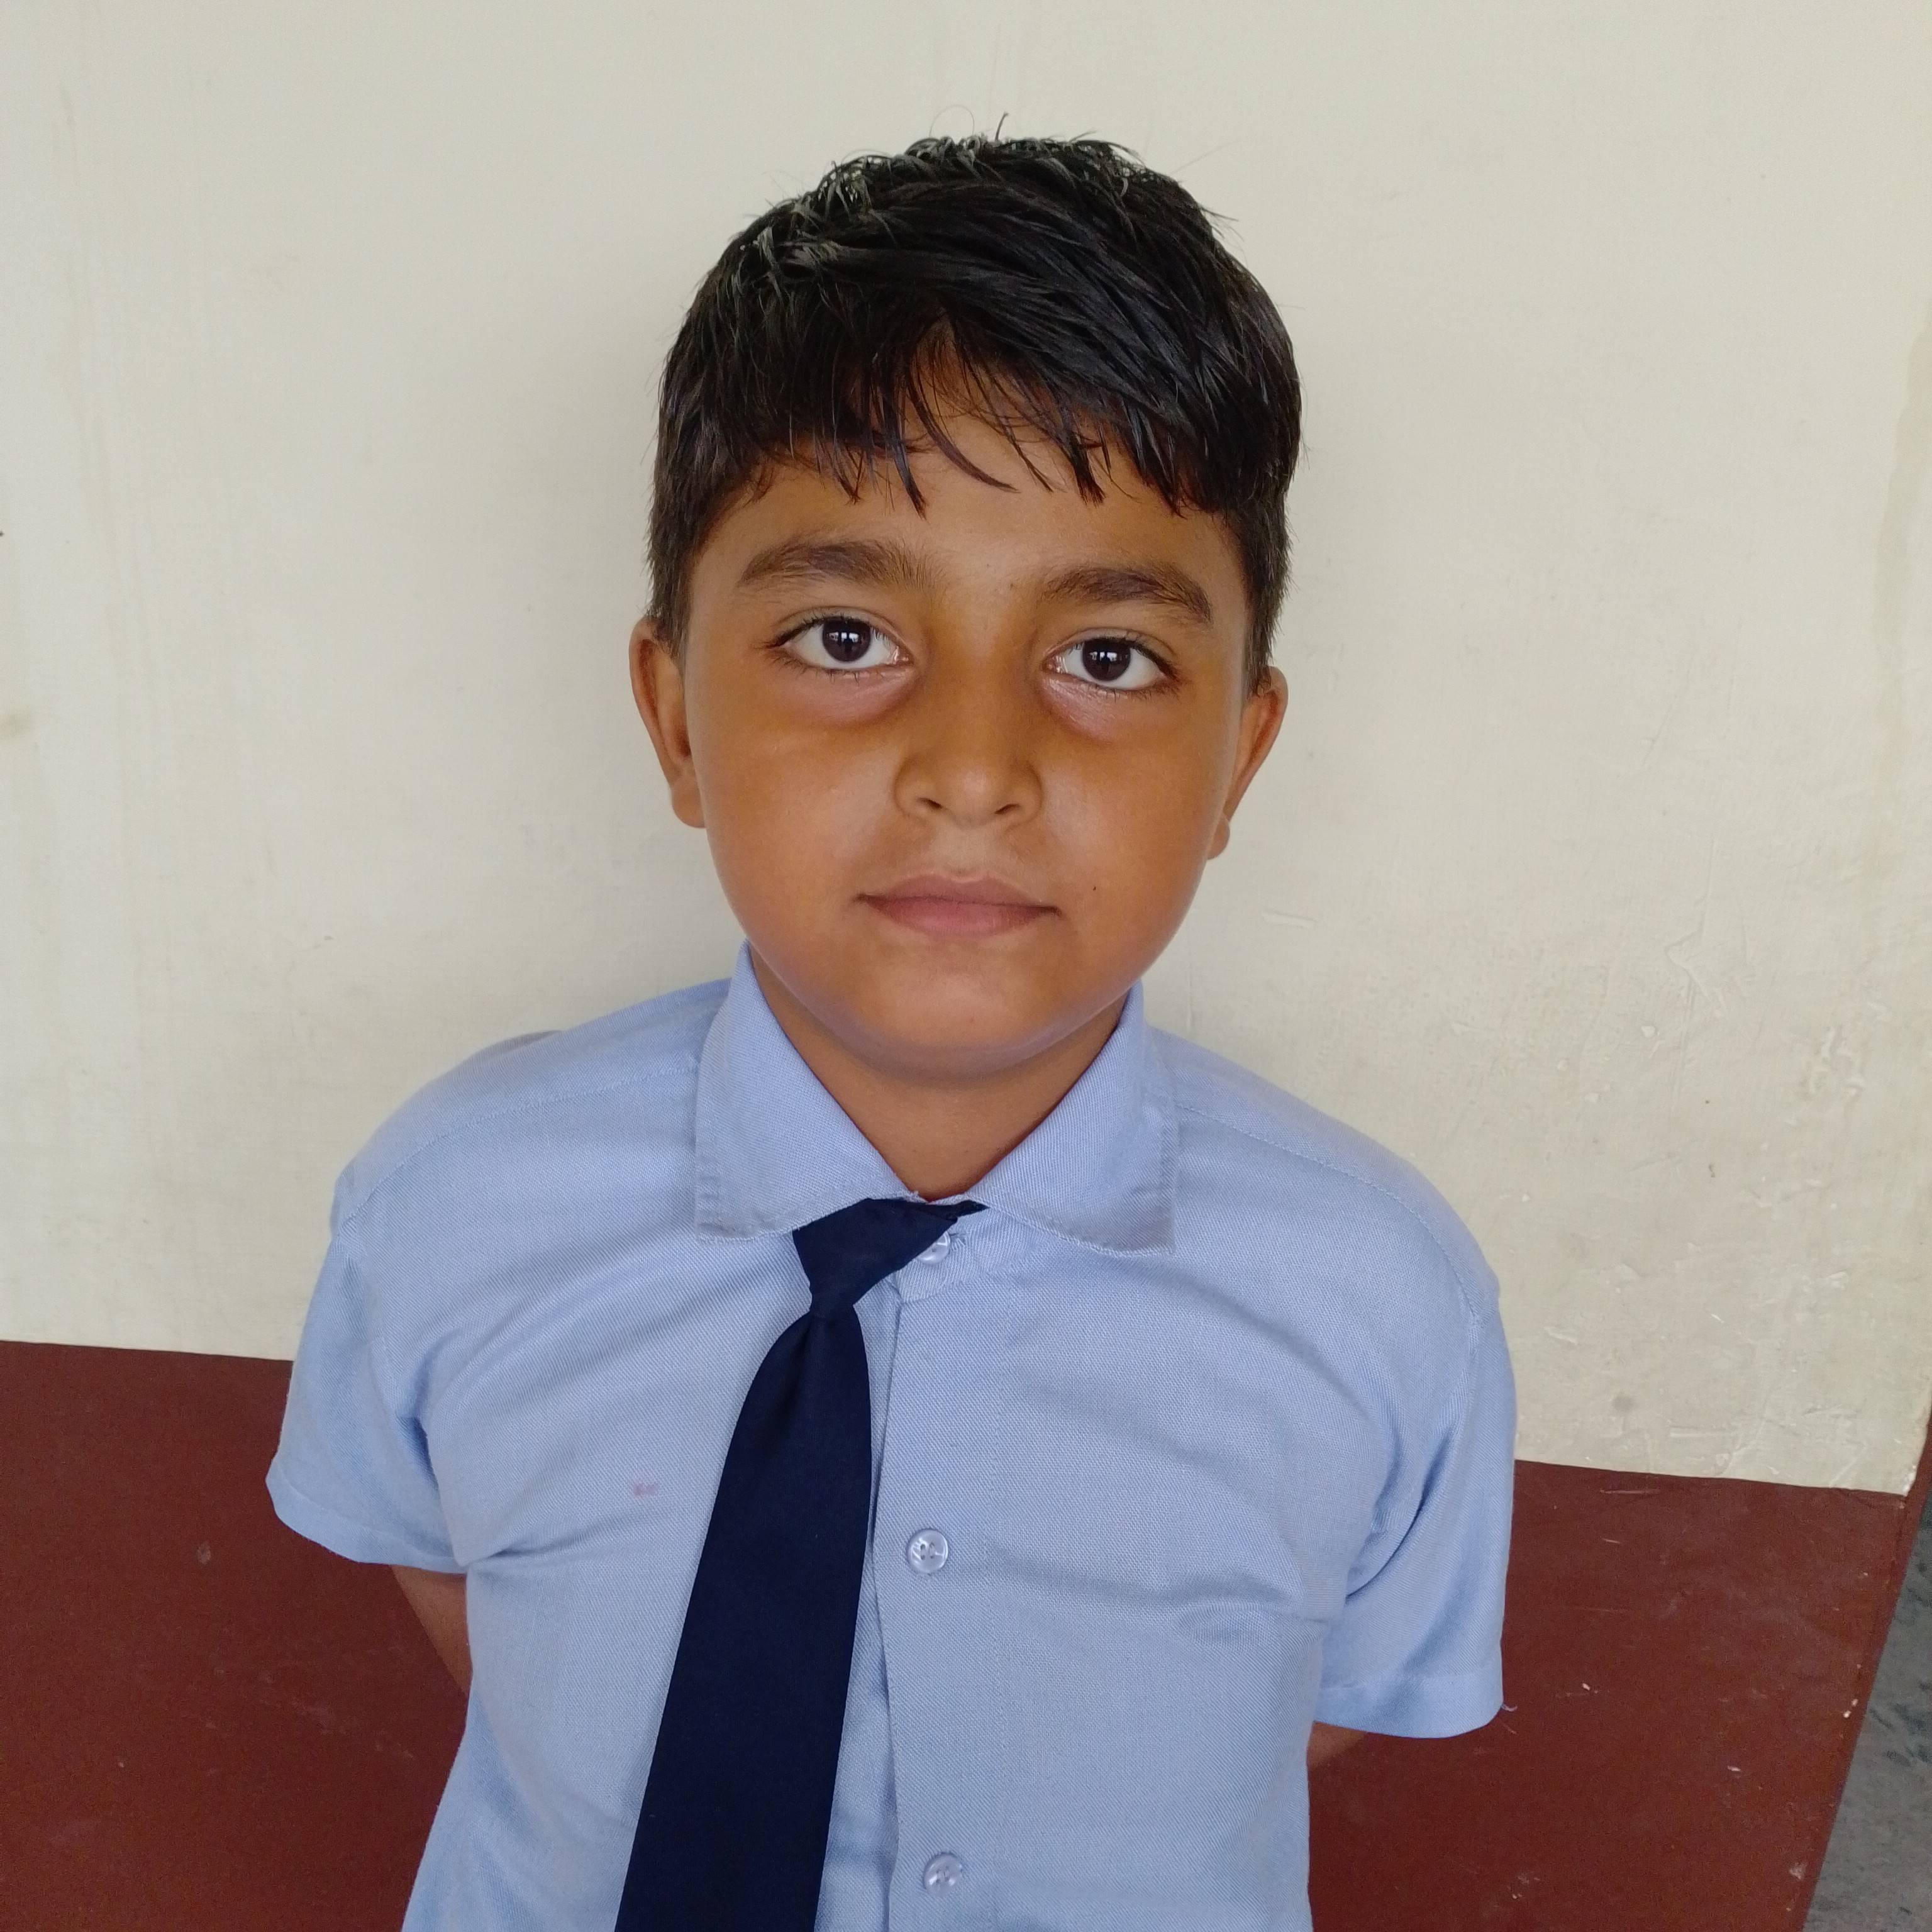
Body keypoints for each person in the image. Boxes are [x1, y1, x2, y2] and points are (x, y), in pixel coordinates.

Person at [266, 131, 1516, 1932]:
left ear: (1241, 755)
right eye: (845, 635)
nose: (973, 770)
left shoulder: (1379, 1298)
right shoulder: (451, 1200)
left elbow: (1294, 1718)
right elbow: (479, 1603)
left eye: (1107, 658)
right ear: (674, 720)